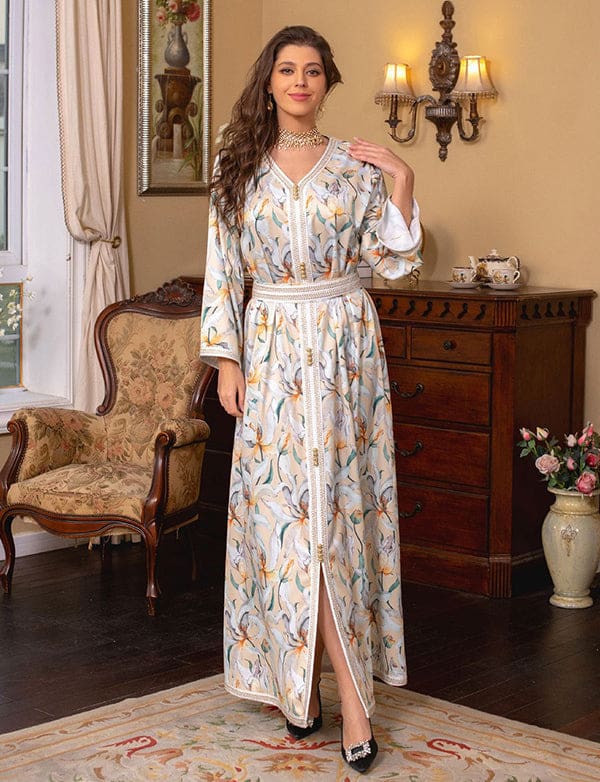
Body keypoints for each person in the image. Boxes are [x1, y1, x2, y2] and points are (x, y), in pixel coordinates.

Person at [200, 25, 422, 774]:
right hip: (269, 353)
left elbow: (391, 264)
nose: (300, 81)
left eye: (314, 71)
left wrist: (401, 181)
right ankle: (301, 685)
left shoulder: (354, 169)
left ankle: (343, 698)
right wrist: (225, 361)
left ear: (328, 83)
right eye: (288, 69)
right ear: (269, 81)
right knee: (285, 526)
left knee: (335, 521)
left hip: (344, 352)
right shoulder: (237, 165)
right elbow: (222, 269)